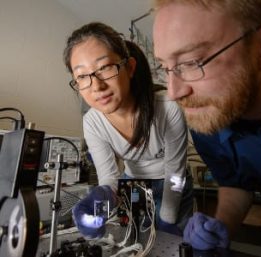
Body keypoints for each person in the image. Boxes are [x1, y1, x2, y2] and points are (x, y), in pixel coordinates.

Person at [152, 0, 261, 256]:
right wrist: (220, 226)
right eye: (166, 67)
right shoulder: (207, 116)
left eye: (191, 62)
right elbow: (236, 181)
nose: (174, 93)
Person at [63, 22, 193, 238]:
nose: (96, 86)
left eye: (104, 68)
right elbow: (109, 178)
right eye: (82, 76)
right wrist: (101, 196)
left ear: (130, 68)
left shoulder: (168, 108)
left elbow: (175, 172)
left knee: (170, 243)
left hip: (173, 183)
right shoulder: (92, 122)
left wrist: (168, 218)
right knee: (132, 241)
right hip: (133, 183)